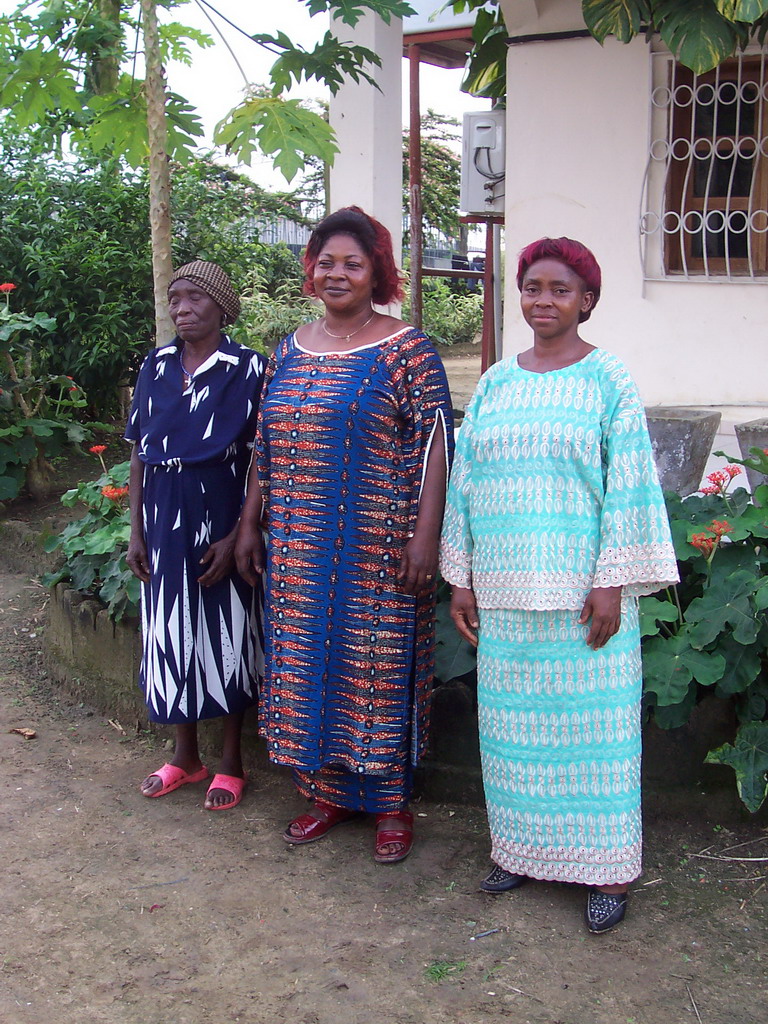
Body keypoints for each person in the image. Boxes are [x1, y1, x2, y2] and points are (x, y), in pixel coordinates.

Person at [440, 237, 678, 932]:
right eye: (533, 287)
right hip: (508, 598)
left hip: (584, 600)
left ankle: (609, 871)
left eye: (560, 289)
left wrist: (612, 583)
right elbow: (467, 479)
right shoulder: (495, 383)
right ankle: (521, 851)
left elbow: (629, 483)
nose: (543, 300)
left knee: (595, 743)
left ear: (587, 302)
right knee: (514, 738)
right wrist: (463, 576)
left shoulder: (610, 380)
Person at [235, 206, 453, 862]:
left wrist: (424, 536)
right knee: (308, 670)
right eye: (325, 262)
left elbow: (438, 444)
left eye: (352, 264)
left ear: (375, 272)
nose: (337, 273)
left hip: (377, 552)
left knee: (376, 672)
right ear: (311, 271)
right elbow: (264, 443)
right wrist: (250, 522)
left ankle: (390, 805)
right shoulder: (289, 348)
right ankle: (325, 794)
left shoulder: (406, 348)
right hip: (299, 551)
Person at [126, 260, 267, 810]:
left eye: (194, 299)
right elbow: (139, 451)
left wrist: (239, 533)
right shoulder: (155, 366)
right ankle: (185, 755)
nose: (182, 309)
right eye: (175, 298)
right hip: (162, 517)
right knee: (170, 630)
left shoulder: (250, 368)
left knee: (227, 629)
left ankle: (232, 761)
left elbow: (263, 459)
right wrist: (136, 529)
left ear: (221, 306)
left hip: (221, 513)